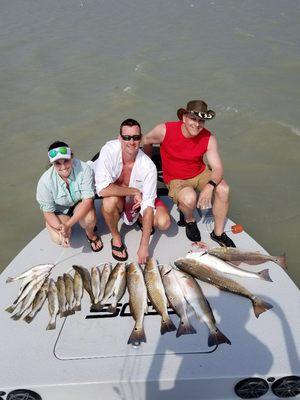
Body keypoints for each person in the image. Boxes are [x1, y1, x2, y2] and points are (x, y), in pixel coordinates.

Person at [142, 100, 235, 247]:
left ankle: (217, 233)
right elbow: (146, 140)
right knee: (190, 198)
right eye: (193, 119)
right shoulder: (164, 130)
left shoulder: (209, 138)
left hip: (200, 172)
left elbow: (218, 169)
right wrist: (148, 166)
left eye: (201, 121)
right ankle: (190, 220)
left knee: (223, 189)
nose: (197, 124)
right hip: (176, 178)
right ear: (184, 117)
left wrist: (210, 186)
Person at [93, 118, 171, 263]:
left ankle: (140, 219)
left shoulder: (148, 166)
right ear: (119, 138)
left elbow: (148, 206)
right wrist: (134, 191)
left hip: (140, 198)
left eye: (135, 137)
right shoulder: (108, 150)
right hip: (120, 196)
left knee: (164, 222)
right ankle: (116, 237)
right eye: (126, 137)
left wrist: (144, 246)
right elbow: (102, 190)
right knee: (109, 203)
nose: (131, 141)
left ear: (140, 139)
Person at [36, 141, 103, 251]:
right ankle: (60, 229)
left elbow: (88, 201)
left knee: (89, 219)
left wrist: (68, 224)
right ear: (51, 163)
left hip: (80, 204)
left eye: (66, 161)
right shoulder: (44, 182)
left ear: (71, 157)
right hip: (60, 211)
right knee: (58, 238)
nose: (63, 167)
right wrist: (62, 230)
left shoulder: (84, 168)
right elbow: (48, 212)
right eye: (57, 163)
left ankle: (91, 235)